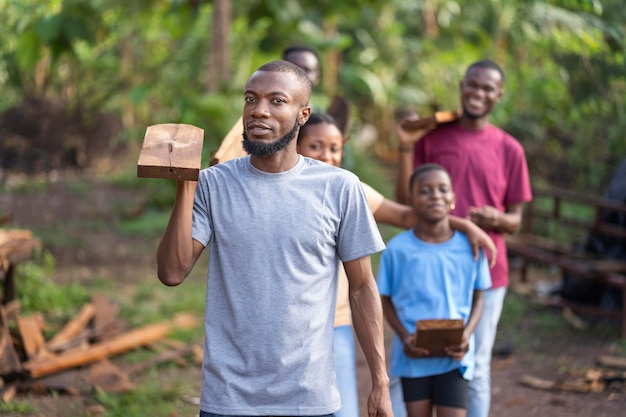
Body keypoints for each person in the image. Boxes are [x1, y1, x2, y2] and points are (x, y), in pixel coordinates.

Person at [156, 60, 393, 417]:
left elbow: (362, 289)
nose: (258, 111)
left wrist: (380, 382)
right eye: (250, 99)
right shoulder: (213, 184)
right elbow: (172, 273)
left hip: (308, 399)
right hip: (228, 399)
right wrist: (185, 184)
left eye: (276, 101)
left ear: (303, 114)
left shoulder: (340, 187)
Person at [296, 113, 497, 417]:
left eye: (334, 147)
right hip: (284, 321)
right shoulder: (280, 187)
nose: (327, 155)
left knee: (343, 410)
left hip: (335, 320)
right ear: (295, 144)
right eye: (315, 146)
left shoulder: (350, 189)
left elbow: (406, 215)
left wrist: (464, 226)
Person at [394, 59, 532, 417]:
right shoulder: (433, 138)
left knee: (476, 363)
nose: (478, 93)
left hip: (483, 268)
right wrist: (406, 146)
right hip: (427, 265)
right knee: (415, 359)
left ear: (498, 96)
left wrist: (496, 218)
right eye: (473, 84)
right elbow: (406, 199)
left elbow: (516, 220)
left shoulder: (509, 149)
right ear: (462, 85)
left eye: (488, 88)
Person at [379, 163, 492, 417]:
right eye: (425, 191)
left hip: (454, 357)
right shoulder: (397, 249)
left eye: (443, 189)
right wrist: (403, 335)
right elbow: (384, 298)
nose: (435, 196)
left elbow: (479, 297)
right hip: (413, 356)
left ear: (453, 198)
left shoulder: (470, 247)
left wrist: (467, 334)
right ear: (411, 200)